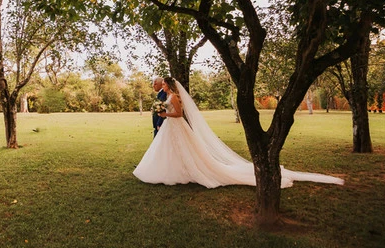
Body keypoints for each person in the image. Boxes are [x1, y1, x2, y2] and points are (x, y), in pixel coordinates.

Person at [134, 77, 344, 188]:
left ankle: (182, 171)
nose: (162, 86)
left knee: (182, 149)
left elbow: (179, 114)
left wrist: (165, 114)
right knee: (170, 150)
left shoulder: (173, 98)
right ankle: (173, 170)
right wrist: (163, 114)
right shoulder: (167, 97)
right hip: (170, 128)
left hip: (175, 125)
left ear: (169, 85)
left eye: (163, 84)